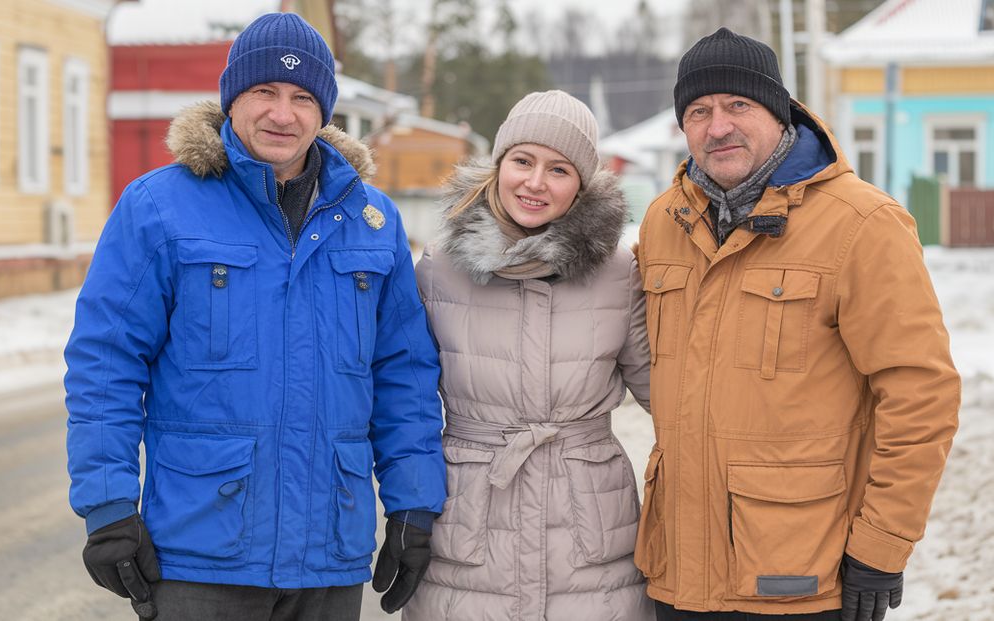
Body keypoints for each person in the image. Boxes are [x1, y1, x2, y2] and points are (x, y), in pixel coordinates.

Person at [64, 13, 445, 620]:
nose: (282, 114)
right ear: (231, 99)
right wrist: (108, 505)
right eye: (264, 92)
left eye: (301, 97)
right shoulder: (160, 207)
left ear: (324, 111)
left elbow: (404, 377)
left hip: (329, 553)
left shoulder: (374, 221)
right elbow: (105, 364)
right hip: (199, 555)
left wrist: (413, 506)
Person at [634, 27, 961, 621]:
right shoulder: (664, 221)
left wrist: (882, 547)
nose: (718, 126)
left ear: (780, 113)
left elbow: (921, 394)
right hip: (678, 576)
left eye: (739, 105)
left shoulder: (862, 224)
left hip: (803, 577)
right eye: (699, 111)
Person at [401, 90, 654, 621]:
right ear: (498, 166)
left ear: (582, 186)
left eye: (558, 169)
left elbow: (667, 393)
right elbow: (404, 398)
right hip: (469, 531)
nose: (535, 182)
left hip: (590, 540)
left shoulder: (619, 272)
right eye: (522, 161)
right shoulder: (439, 268)